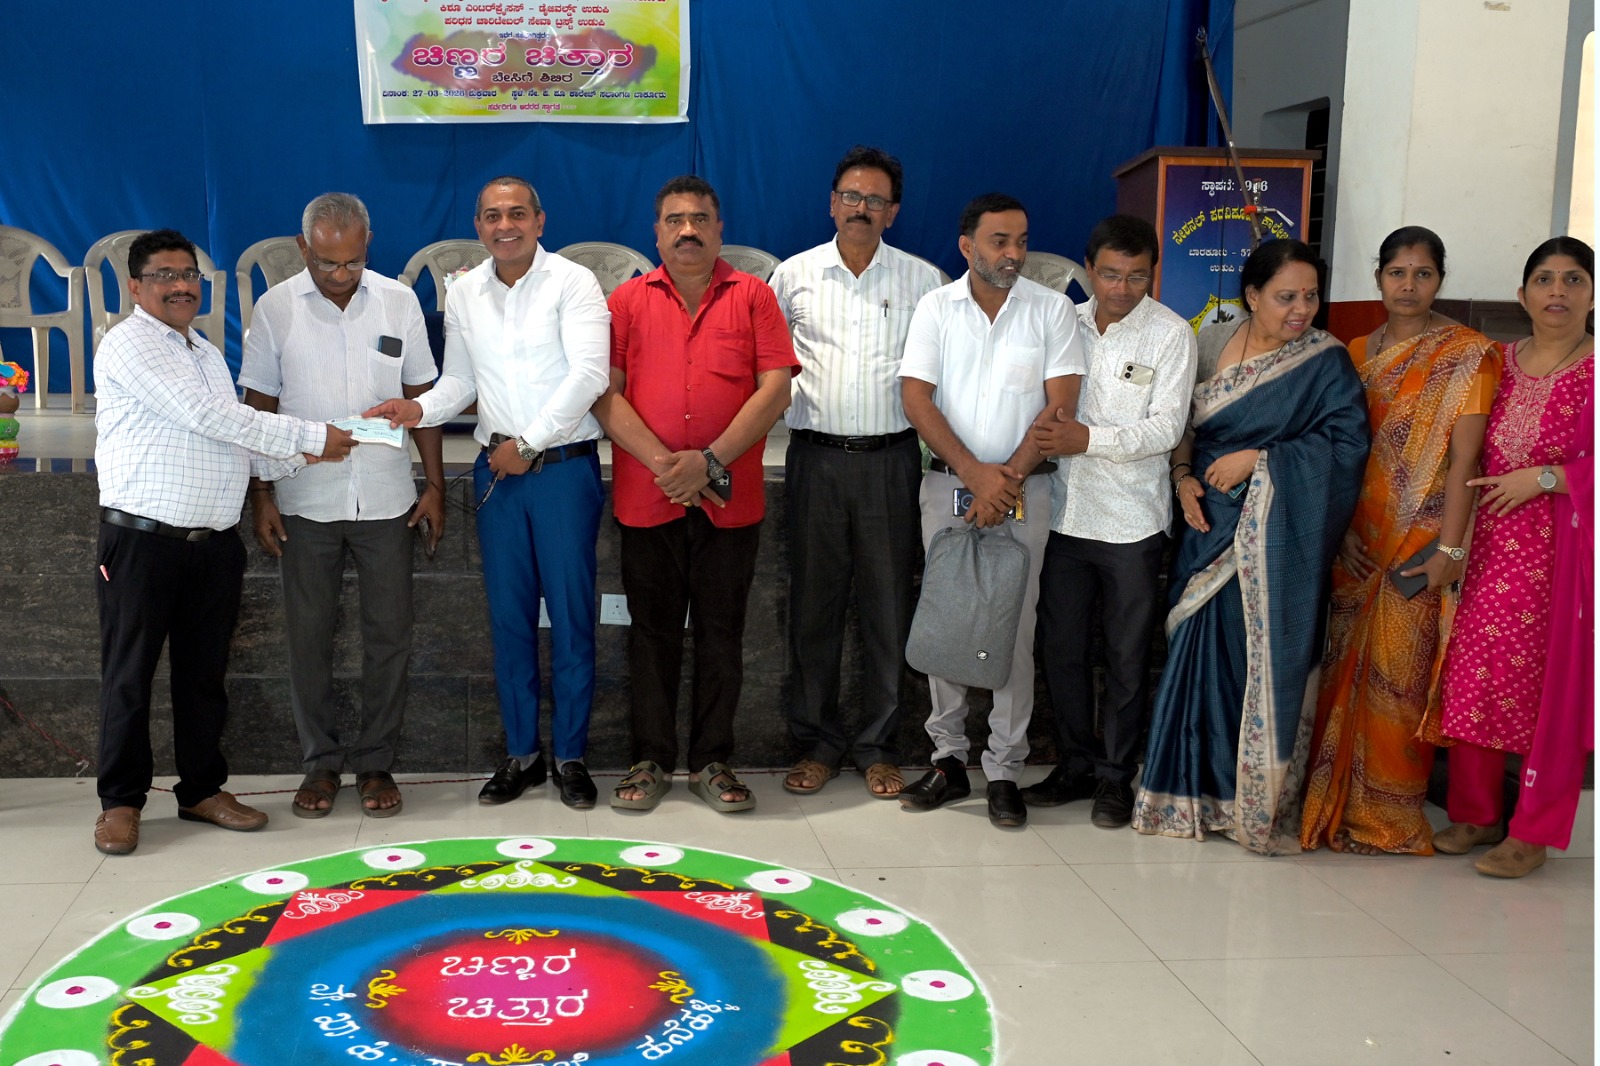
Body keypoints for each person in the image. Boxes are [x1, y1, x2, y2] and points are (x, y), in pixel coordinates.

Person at [93, 228, 357, 855]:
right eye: (164, 275)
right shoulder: (128, 343)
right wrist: (311, 436)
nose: (181, 286)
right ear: (135, 286)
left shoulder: (205, 351)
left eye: (189, 275)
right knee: (128, 677)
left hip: (212, 544)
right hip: (143, 542)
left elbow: (229, 439)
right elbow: (206, 415)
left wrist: (301, 456)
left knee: (204, 677)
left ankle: (201, 790)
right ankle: (120, 803)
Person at [366, 176, 611, 810]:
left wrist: (528, 444)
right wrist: (418, 409)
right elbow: (460, 382)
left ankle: (572, 756)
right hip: (498, 474)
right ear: (477, 225)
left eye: (518, 214)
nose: (506, 226)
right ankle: (522, 755)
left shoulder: (573, 282)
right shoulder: (465, 290)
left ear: (540, 220)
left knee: (573, 618)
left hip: (560, 469)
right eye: (493, 216)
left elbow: (589, 375)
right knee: (508, 619)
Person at [1130, 239, 1369, 855]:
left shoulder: (1326, 360)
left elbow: (1346, 448)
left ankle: (1249, 802)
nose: (1301, 309)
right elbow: (1183, 426)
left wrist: (1262, 458)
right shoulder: (1211, 343)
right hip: (1206, 521)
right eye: (1286, 296)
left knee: (1253, 659)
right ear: (1252, 295)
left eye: (1310, 296)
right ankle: (1185, 793)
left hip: (1277, 535)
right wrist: (1183, 477)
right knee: (1197, 651)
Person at [593, 175, 798, 814]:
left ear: (719, 228)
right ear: (656, 233)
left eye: (700, 219)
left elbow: (776, 390)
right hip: (648, 495)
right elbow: (605, 394)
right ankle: (649, 759)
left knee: (721, 634)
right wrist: (670, 467)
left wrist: (708, 463)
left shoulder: (754, 297)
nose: (688, 230)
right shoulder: (626, 301)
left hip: (729, 501)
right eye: (675, 220)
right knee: (650, 634)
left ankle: (714, 761)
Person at [241, 192, 443, 820]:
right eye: (327, 263)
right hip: (304, 497)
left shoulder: (398, 301)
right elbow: (258, 407)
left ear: (368, 245)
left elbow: (423, 399)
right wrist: (262, 493)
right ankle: (321, 764)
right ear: (303, 248)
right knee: (308, 637)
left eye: (353, 262)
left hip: (387, 496)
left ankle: (377, 762)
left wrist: (435, 485)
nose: (341, 275)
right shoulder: (276, 309)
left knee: (390, 636)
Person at [1298, 227, 1500, 855]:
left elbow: (1466, 462)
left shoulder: (1469, 355)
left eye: (1423, 274)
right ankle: (1332, 802)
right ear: (1379, 277)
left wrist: (1451, 551)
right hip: (1357, 536)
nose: (1408, 286)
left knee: (1400, 679)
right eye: (1397, 273)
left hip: (1423, 540)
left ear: (1440, 280)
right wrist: (1338, 534)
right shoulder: (1357, 350)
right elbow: (1342, 451)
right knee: (1341, 670)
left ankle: (1389, 816)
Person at [897, 192, 1084, 829]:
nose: (1013, 253)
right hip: (948, 487)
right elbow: (916, 400)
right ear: (966, 246)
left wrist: (1004, 482)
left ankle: (1004, 768)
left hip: (1026, 493)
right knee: (947, 619)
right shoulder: (936, 308)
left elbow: (1060, 407)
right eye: (999, 240)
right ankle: (948, 760)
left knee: (1014, 628)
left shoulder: (1051, 310)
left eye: (1021, 241)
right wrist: (977, 476)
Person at [767, 146, 941, 800]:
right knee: (813, 609)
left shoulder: (924, 282)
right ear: (831, 203)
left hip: (893, 463)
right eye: (850, 196)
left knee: (888, 611)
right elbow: (767, 370)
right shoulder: (793, 276)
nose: (860, 208)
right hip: (814, 460)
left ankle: (878, 746)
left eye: (874, 200)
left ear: (892, 212)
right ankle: (817, 744)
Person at [1021, 214, 1197, 828]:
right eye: (1111, 275)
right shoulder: (1061, 322)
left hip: (1132, 524)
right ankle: (1075, 764)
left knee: (1126, 657)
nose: (1123, 289)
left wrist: (1086, 439)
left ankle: (1116, 777)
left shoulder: (1171, 334)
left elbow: (1167, 428)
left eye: (1137, 277)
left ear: (1153, 275)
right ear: (1089, 269)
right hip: (1062, 514)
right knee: (1062, 649)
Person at [1432, 237, 1595, 878]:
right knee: (1479, 676)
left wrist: (1549, 478)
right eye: (1545, 279)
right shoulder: (1494, 362)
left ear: (1592, 294)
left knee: (1550, 691)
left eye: (1574, 279)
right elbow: (1460, 451)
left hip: (1565, 559)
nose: (1558, 291)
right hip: (1491, 549)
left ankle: (1533, 831)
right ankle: (1476, 815)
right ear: (1522, 295)